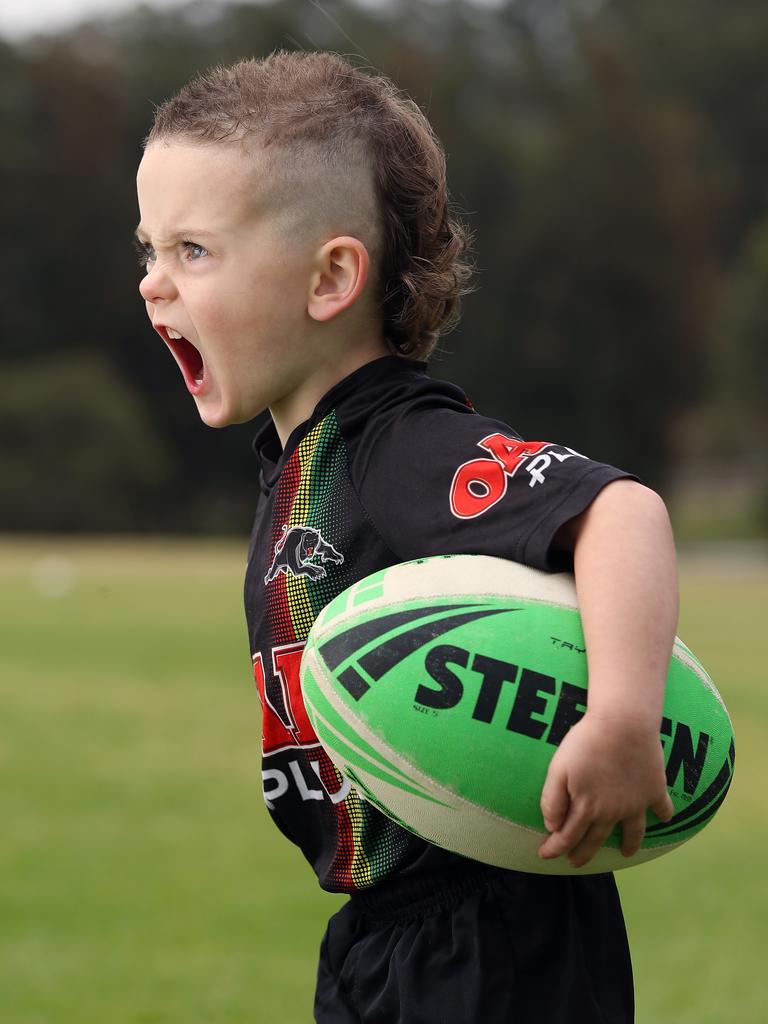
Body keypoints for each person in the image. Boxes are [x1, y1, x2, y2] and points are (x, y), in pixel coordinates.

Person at [135, 50, 677, 1023]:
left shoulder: (399, 448)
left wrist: (624, 719)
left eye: (193, 251)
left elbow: (621, 511)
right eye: (149, 249)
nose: (152, 284)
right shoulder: (302, 455)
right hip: (383, 931)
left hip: (489, 936)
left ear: (331, 276)